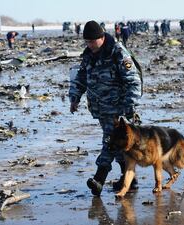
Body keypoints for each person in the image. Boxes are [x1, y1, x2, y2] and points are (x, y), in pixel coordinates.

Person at [69, 20, 141, 196]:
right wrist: (74, 98)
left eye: (93, 41)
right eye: (87, 42)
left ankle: (99, 179)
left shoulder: (117, 52)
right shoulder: (88, 55)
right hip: (101, 109)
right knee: (118, 146)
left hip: (118, 109)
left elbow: (133, 81)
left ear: (102, 38)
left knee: (110, 142)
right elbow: (81, 77)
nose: (90, 45)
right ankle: (129, 178)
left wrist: (129, 106)